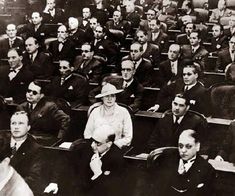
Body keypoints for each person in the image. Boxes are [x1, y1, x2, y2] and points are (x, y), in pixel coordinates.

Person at [148, 129, 215, 196]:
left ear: (197, 146)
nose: (183, 150)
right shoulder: (166, 160)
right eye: (180, 146)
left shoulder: (207, 170)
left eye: (188, 146)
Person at [0, 111, 43, 195]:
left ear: (28, 127)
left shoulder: (36, 149)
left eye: (20, 123)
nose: (16, 127)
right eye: (13, 123)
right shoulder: (1, 141)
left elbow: (33, 178)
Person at [84, 83, 133, 149]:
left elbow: (128, 137)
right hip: (97, 148)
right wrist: (97, 145)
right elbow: (87, 134)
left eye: (112, 96)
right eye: (107, 96)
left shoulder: (124, 112)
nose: (109, 99)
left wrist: (112, 146)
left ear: (115, 98)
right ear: (102, 98)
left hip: (116, 148)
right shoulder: (95, 112)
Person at [86, 124, 126, 196]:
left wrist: (98, 173)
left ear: (109, 144)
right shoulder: (87, 149)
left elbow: (111, 190)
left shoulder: (117, 160)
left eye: (97, 143)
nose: (92, 145)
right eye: (92, 140)